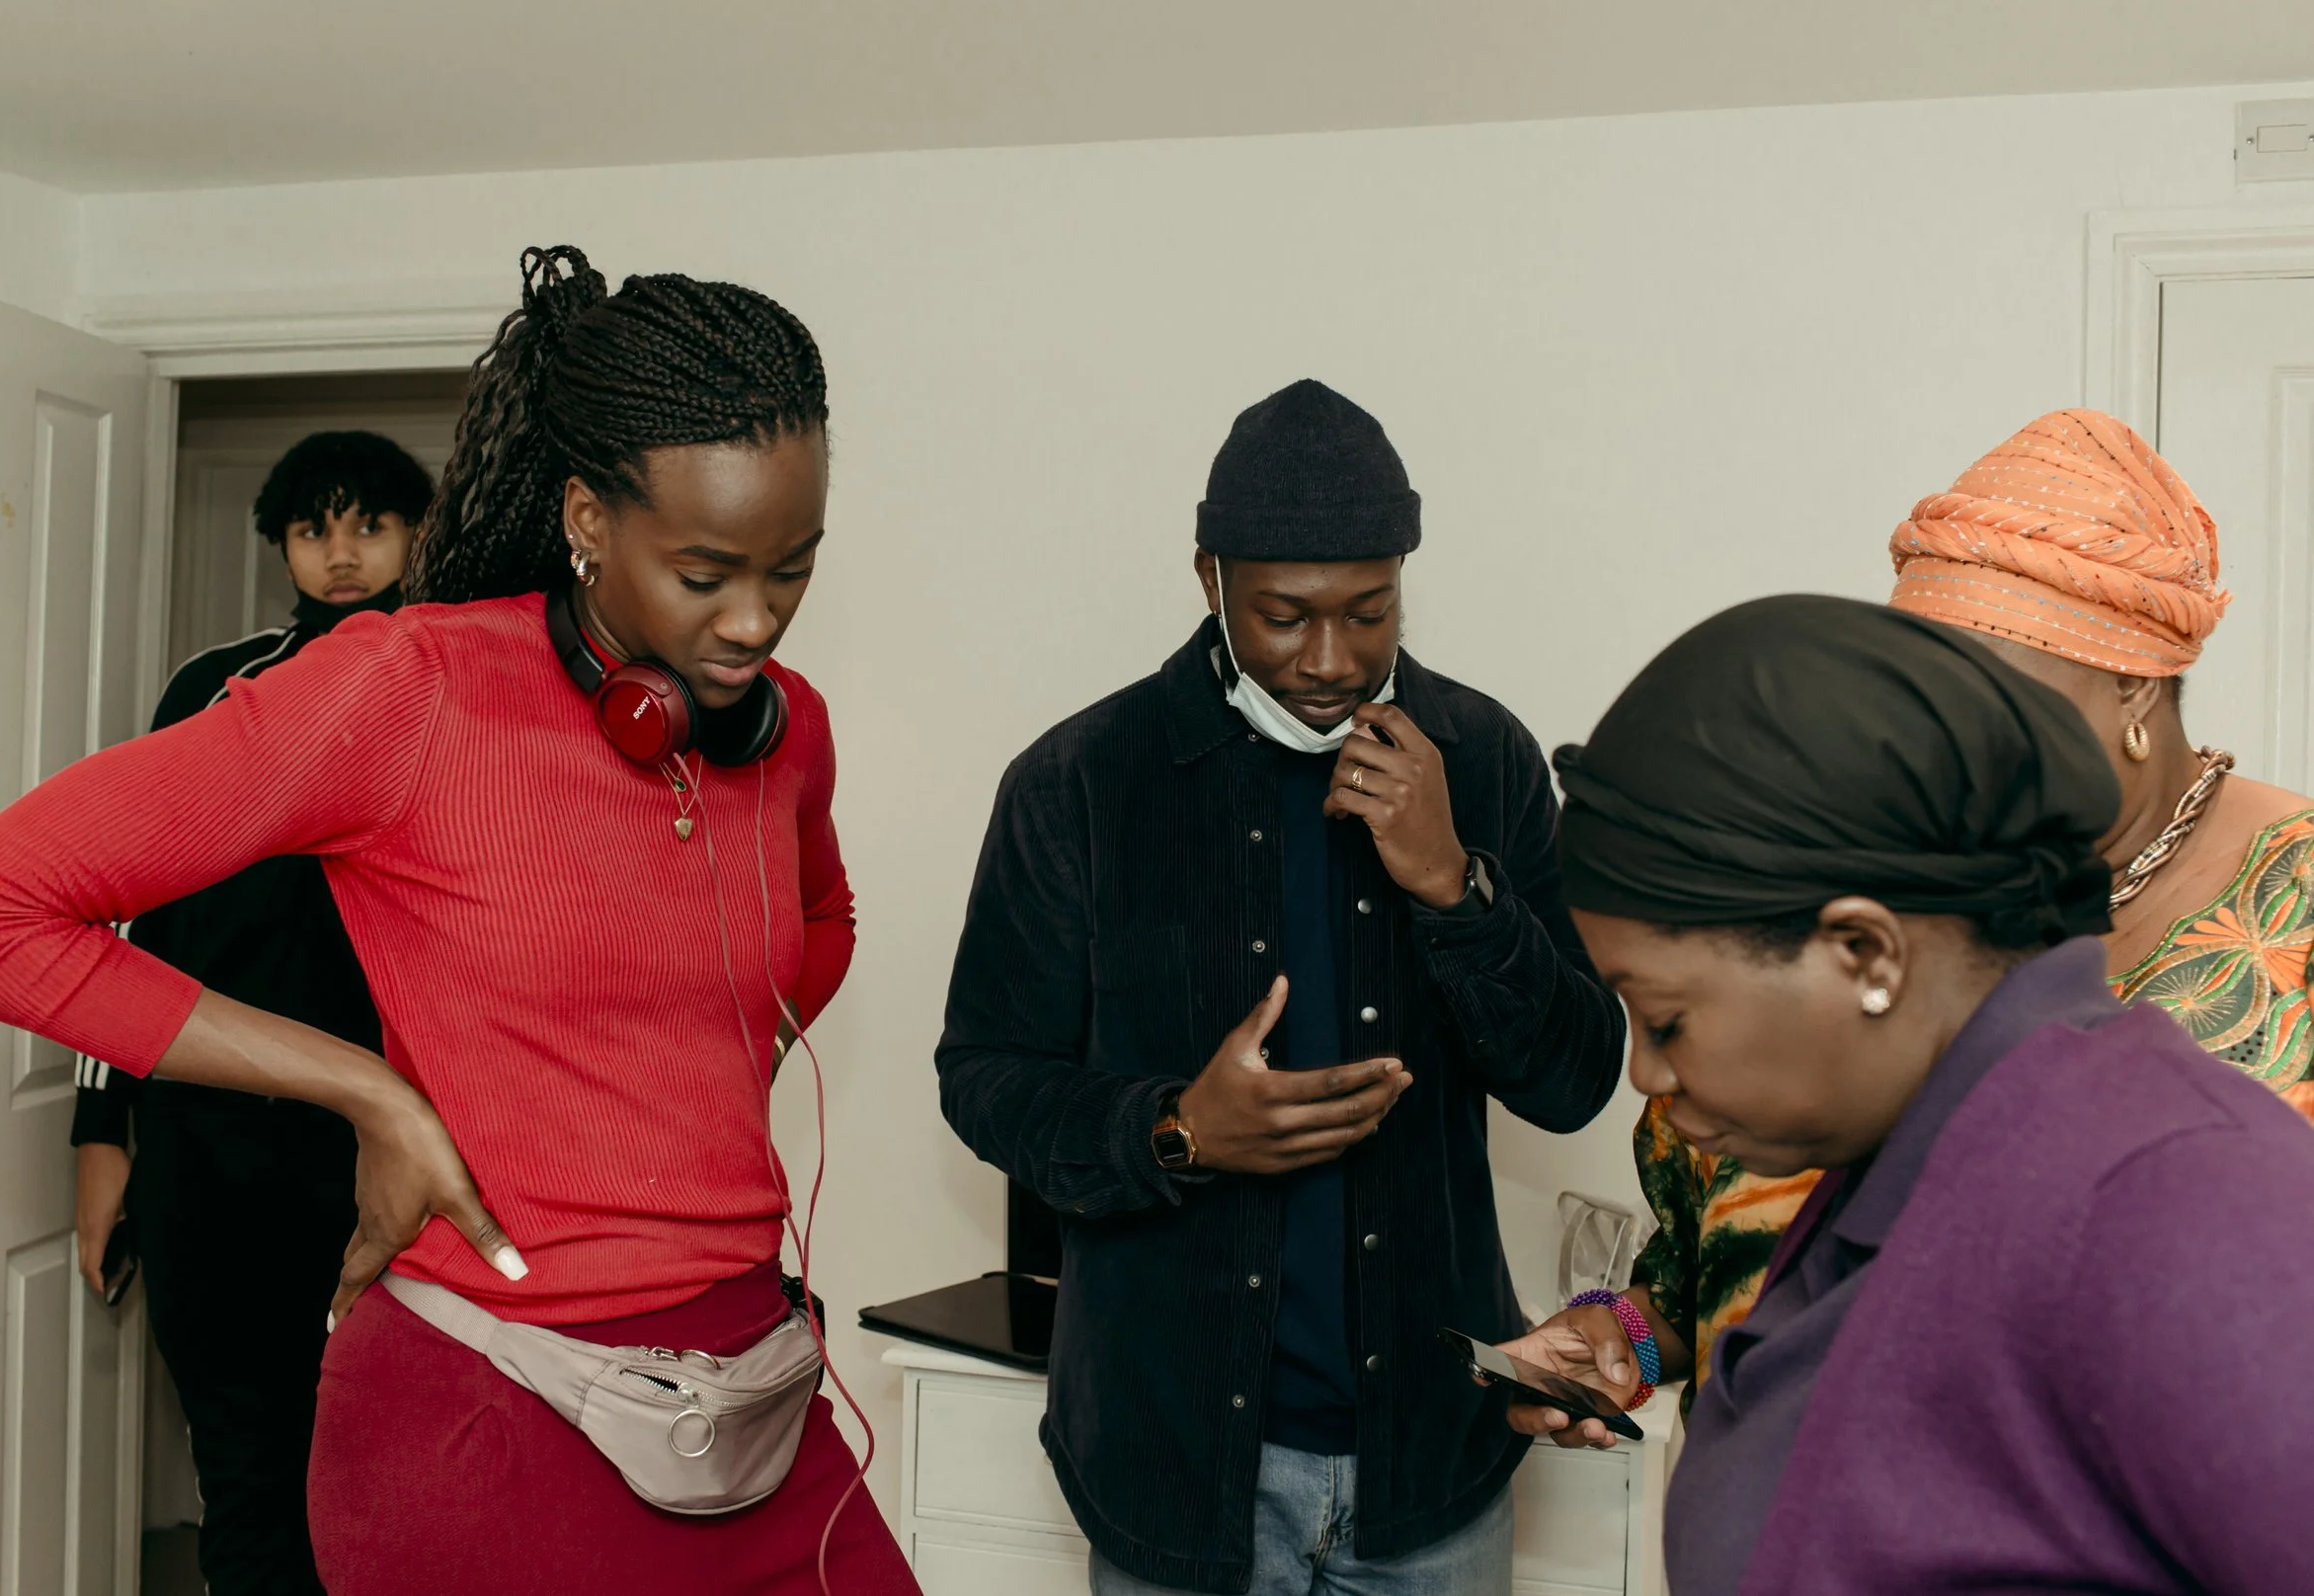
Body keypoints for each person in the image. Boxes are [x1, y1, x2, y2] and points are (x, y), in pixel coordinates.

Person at [0, 246, 917, 1596]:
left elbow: (822, 915)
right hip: (489, 1414)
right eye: (706, 570)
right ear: (587, 517)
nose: (755, 621)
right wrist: (367, 1088)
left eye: (793, 567)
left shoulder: (783, 730)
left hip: (752, 1393)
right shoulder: (408, 690)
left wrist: (685, 1077)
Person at [936, 380, 1625, 1596]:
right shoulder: (1077, 780)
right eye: (1284, 615)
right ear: (1209, 577)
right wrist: (1177, 1128)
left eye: (1369, 611)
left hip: (1432, 1459)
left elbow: (1573, 1081)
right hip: (1172, 1459)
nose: (1329, 659)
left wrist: (1452, 882)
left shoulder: (1484, 758)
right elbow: (984, 1077)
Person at [1508, 594, 2314, 1593]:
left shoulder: (2178, 1203)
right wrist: (1622, 1334)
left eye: (1666, 1018)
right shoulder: (1899, 1154)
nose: (1647, 1074)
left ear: (1865, 952)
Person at [1574, 409, 2314, 1413]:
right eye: (1918, 696)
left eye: (1988, 700)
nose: (1941, 740)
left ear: (2132, 686)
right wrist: (1625, 1337)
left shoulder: (2294, 906)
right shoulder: (1869, 888)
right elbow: (1723, 1253)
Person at [69, 430, 430, 1596]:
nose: (341, 552)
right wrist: (99, 1133)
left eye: (368, 523)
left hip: (376, 1143)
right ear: (281, 543)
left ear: (415, 533)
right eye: (313, 528)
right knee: (242, 1465)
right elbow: (124, 908)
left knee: (375, 1467)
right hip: (203, 1140)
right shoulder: (213, 686)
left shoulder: (450, 679)